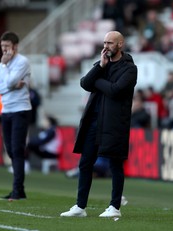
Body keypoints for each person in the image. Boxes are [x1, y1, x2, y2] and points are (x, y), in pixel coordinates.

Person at [60, 31, 137, 218]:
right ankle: (80, 206)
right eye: (104, 42)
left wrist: (98, 80)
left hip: (114, 124)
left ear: (120, 44)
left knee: (115, 164)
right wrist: (100, 68)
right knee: (85, 163)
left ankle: (114, 207)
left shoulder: (130, 68)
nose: (106, 46)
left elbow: (115, 90)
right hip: (93, 122)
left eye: (110, 43)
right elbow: (85, 83)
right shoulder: (102, 64)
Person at [0, 31, 32, 201]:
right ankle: (19, 189)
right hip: (6, 110)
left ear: (15, 46)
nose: (4, 50)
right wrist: (11, 84)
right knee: (10, 150)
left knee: (17, 149)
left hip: (20, 110)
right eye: (2, 47)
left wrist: (6, 70)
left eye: (7, 46)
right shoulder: (2, 64)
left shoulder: (22, 61)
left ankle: (17, 190)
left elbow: (5, 83)